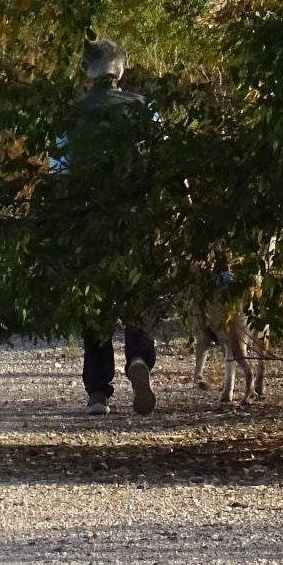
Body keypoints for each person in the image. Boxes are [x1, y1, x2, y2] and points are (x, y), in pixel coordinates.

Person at [52, 37, 160, 416]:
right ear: (121, 69)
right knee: (137, 294)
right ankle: (139, 358)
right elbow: (161, 161)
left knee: (93, 300)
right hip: (134, 214)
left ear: (86, 72)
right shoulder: (143, 109)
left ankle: (98, 390)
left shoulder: (70, 114)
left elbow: (59, 173)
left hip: (86, 216)